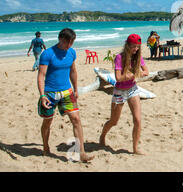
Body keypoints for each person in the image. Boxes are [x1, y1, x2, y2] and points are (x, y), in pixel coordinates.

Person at [37, 28, 94, 162]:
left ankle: (82, 153)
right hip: (50, 94)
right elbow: (41, 76)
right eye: (69, 42)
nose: (70, 45)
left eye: (72, 42)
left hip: (67, 92)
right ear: (61, 39)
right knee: (47, 121)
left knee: (76, 119)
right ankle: (45, 147)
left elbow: (73, 71)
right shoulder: (47, 54)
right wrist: (42, 95)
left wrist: (75, 88)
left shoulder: (72, 52)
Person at [100, 34, 149, 155]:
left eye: (137, 47)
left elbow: (146, 72)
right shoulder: (119, 58)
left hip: (132, 89)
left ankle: (135, 148)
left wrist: (131, 74)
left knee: (137, 120)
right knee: (114, 121)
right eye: (133, 46)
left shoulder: (138, 58)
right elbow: (118, 78)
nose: (135, 49)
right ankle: (102, 136)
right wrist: (135, 74)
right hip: (119, 92)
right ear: (127, 45)